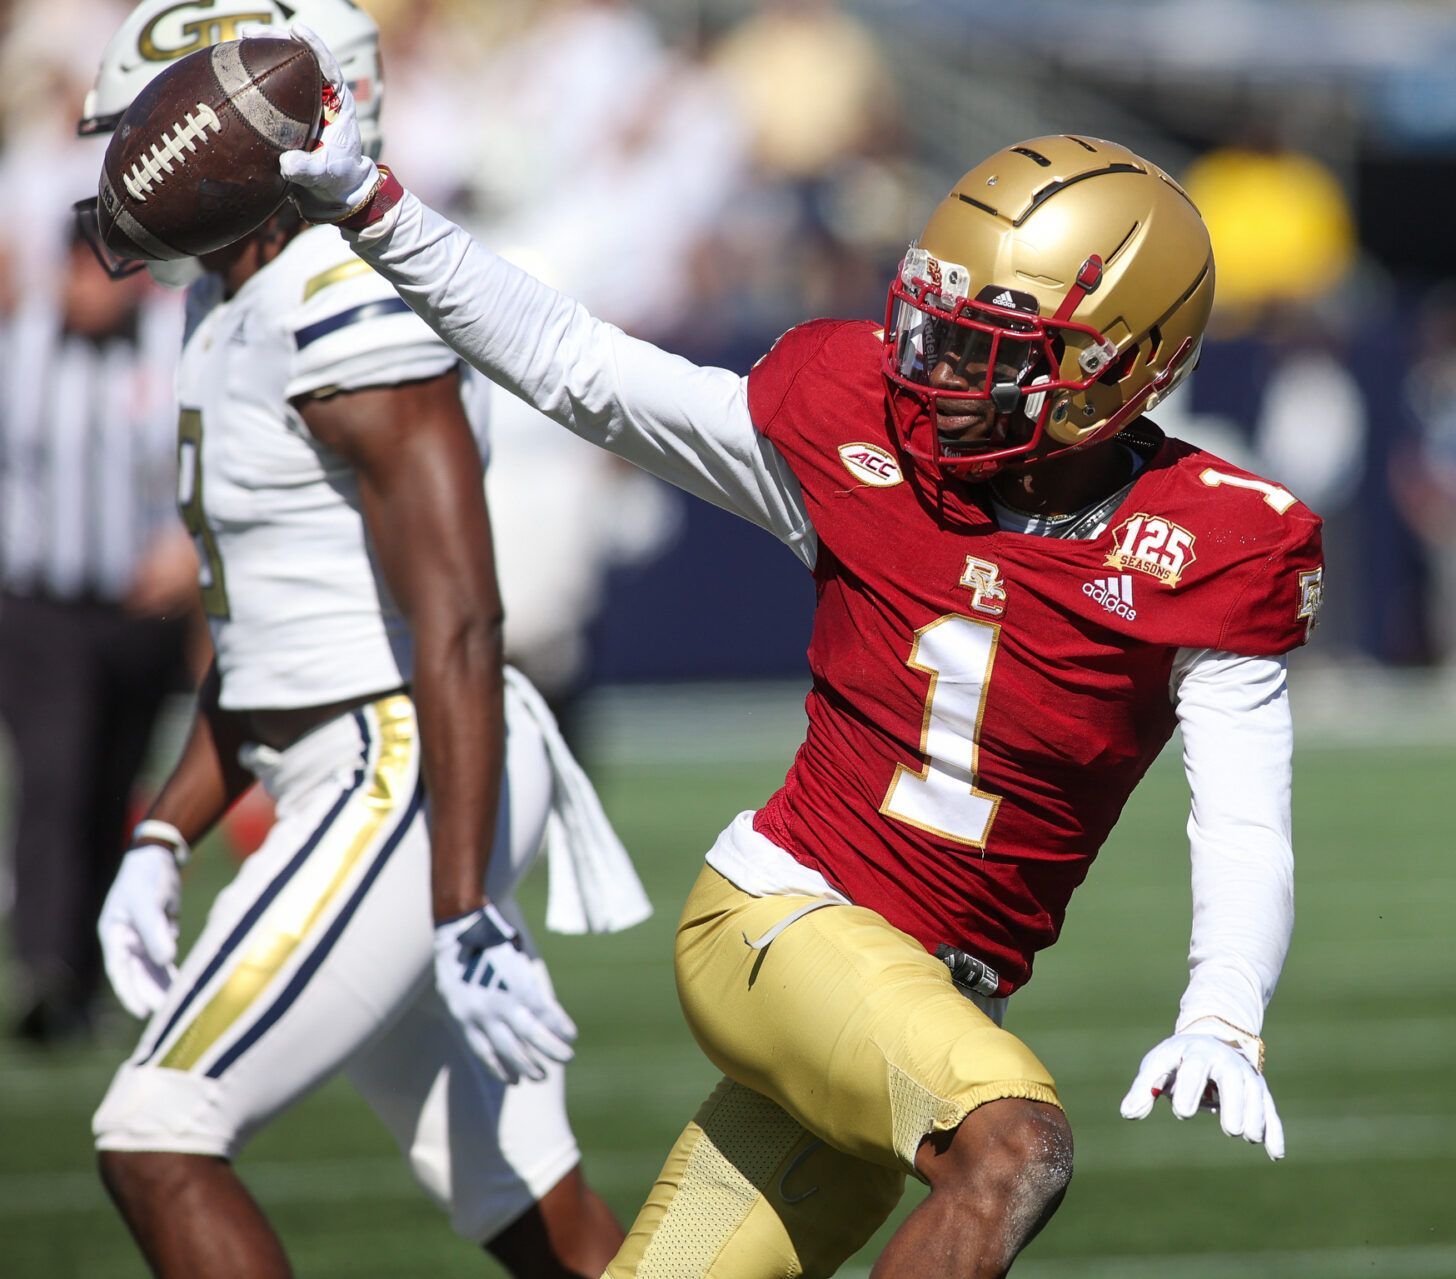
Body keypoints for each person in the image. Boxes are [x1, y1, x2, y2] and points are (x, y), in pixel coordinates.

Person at [277, 28, 1318, 1277]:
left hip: (922, 1005)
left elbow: (1244, 817)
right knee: (1012, 1147)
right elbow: (580, 367)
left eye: (989, 354)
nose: (933, 378)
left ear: (1114, 371)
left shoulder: (1213, 544)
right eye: (937, 333)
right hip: (782, 919)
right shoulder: (857, 437)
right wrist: (376, 209)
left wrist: (1224, 1010)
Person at [78, 4, 648, 1276]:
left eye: (146, 139)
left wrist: (463, 907)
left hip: (404, 766)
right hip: (342, 754)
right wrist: (166, 829)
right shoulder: (237, 297)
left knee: (156, 1130)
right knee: (524, 1204)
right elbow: (270, 630)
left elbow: (458, 613)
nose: (121, 172)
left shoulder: (342, 293)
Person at [0, 221, 194, 1045]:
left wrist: (188, 544)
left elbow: (208, 460)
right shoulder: (20, 350)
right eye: (83, 270)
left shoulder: (172, 350)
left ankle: (85, 968)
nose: (95, 288)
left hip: (137, 611)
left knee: (116, 781)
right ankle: (45, 959)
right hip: (40, 606)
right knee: (57, 771)